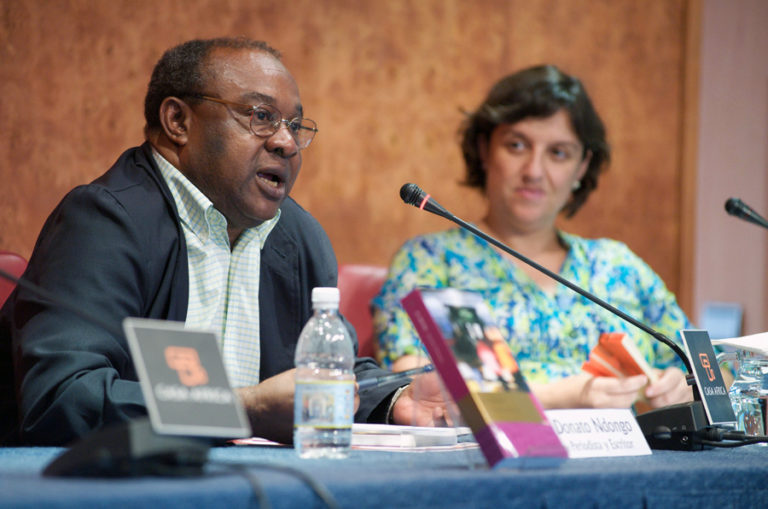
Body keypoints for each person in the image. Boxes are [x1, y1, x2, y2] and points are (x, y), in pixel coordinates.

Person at [0, 37, 445, 446]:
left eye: (294, 124)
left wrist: (396, 399)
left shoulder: (298, 237)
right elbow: (61, 398)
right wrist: (243, 410)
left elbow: (333, 372)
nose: (287, 143)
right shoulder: (103, 222)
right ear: (178, 121)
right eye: (261, 117)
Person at [372, 65, 693, 411]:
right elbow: (418, 391)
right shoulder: (432, 261)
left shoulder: (618, 265)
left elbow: (719, 372)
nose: (534, 171)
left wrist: (685, 387)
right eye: (517, 145)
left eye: (558, 153)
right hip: (491, 462)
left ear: (582, 166)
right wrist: (569, 395)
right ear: (485, 149)